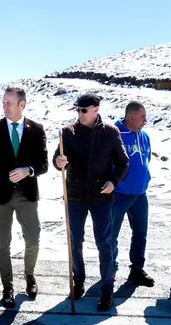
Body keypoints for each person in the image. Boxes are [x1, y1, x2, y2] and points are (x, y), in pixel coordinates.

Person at [0, 86, 48, 308]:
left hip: (26, 194)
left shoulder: (36, 129)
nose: (4, 106)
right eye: (3, 102)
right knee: (3, 242)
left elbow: (42, 164)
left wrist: (28, 170)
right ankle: (8, 286)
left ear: (21, 105)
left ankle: (30, 276)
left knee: (33, 237)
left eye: (9, 103)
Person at [53, 93, 129, 311]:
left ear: (96, 109)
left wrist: (113, 182)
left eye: (83, 110)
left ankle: (107, 289)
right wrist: (59, 162)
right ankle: (78, 281)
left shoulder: (110, 132)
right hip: (75, 196)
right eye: (77, 110)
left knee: (104, 243)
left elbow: (123, 163)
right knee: (74, 241)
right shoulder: (68, 132)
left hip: (101, 197)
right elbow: (57, 159)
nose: (79, 114)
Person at [110, 101, 155, 287]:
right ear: (131, 117)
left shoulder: (144, 136)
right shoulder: (114, 133)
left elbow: (147, 159)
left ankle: (137, 269)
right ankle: (109, 269)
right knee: (111, 234)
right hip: (119, 194)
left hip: (140, 195)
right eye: (142, 116)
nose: (145, 120)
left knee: (140, 233)